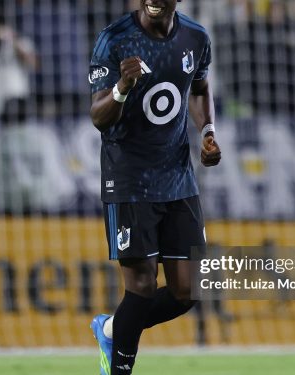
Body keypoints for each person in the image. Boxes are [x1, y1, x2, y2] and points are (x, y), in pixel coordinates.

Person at [88, 1, 221, 374]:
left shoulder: (196, 37)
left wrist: (207, 132)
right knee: (142, 286)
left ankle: (111, 329)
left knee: (188, 291)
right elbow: (98, 116)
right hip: (129, 180)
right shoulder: (113, 40)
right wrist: (120, 88)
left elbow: (199, 88)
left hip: (178, 178)